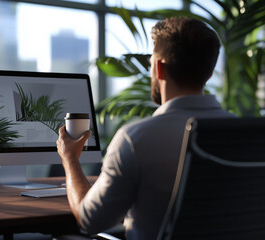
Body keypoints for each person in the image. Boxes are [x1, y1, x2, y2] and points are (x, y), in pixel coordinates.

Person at [56, 17, 235, 240]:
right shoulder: (244, 134)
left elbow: (90, 220)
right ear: (208, 74)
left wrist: (69, 158)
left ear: (159, 68)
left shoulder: (136, 139)